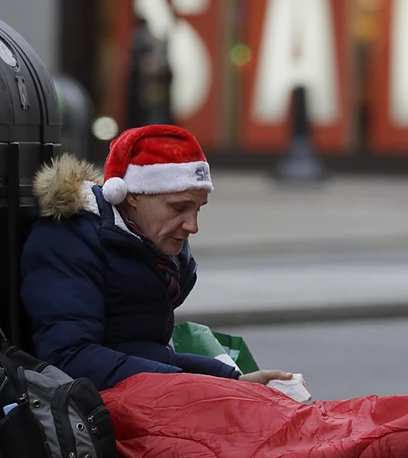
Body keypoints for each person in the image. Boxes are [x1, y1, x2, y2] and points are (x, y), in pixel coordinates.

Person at [20, 124, 291, 391]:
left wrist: (231, 381)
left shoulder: (146, 246)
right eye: (179, 207)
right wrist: (191, 387)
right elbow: (69, 358)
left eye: (198, 210)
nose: (192, 226)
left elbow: (144, 353)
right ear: (134, 195)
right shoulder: (68, 240)